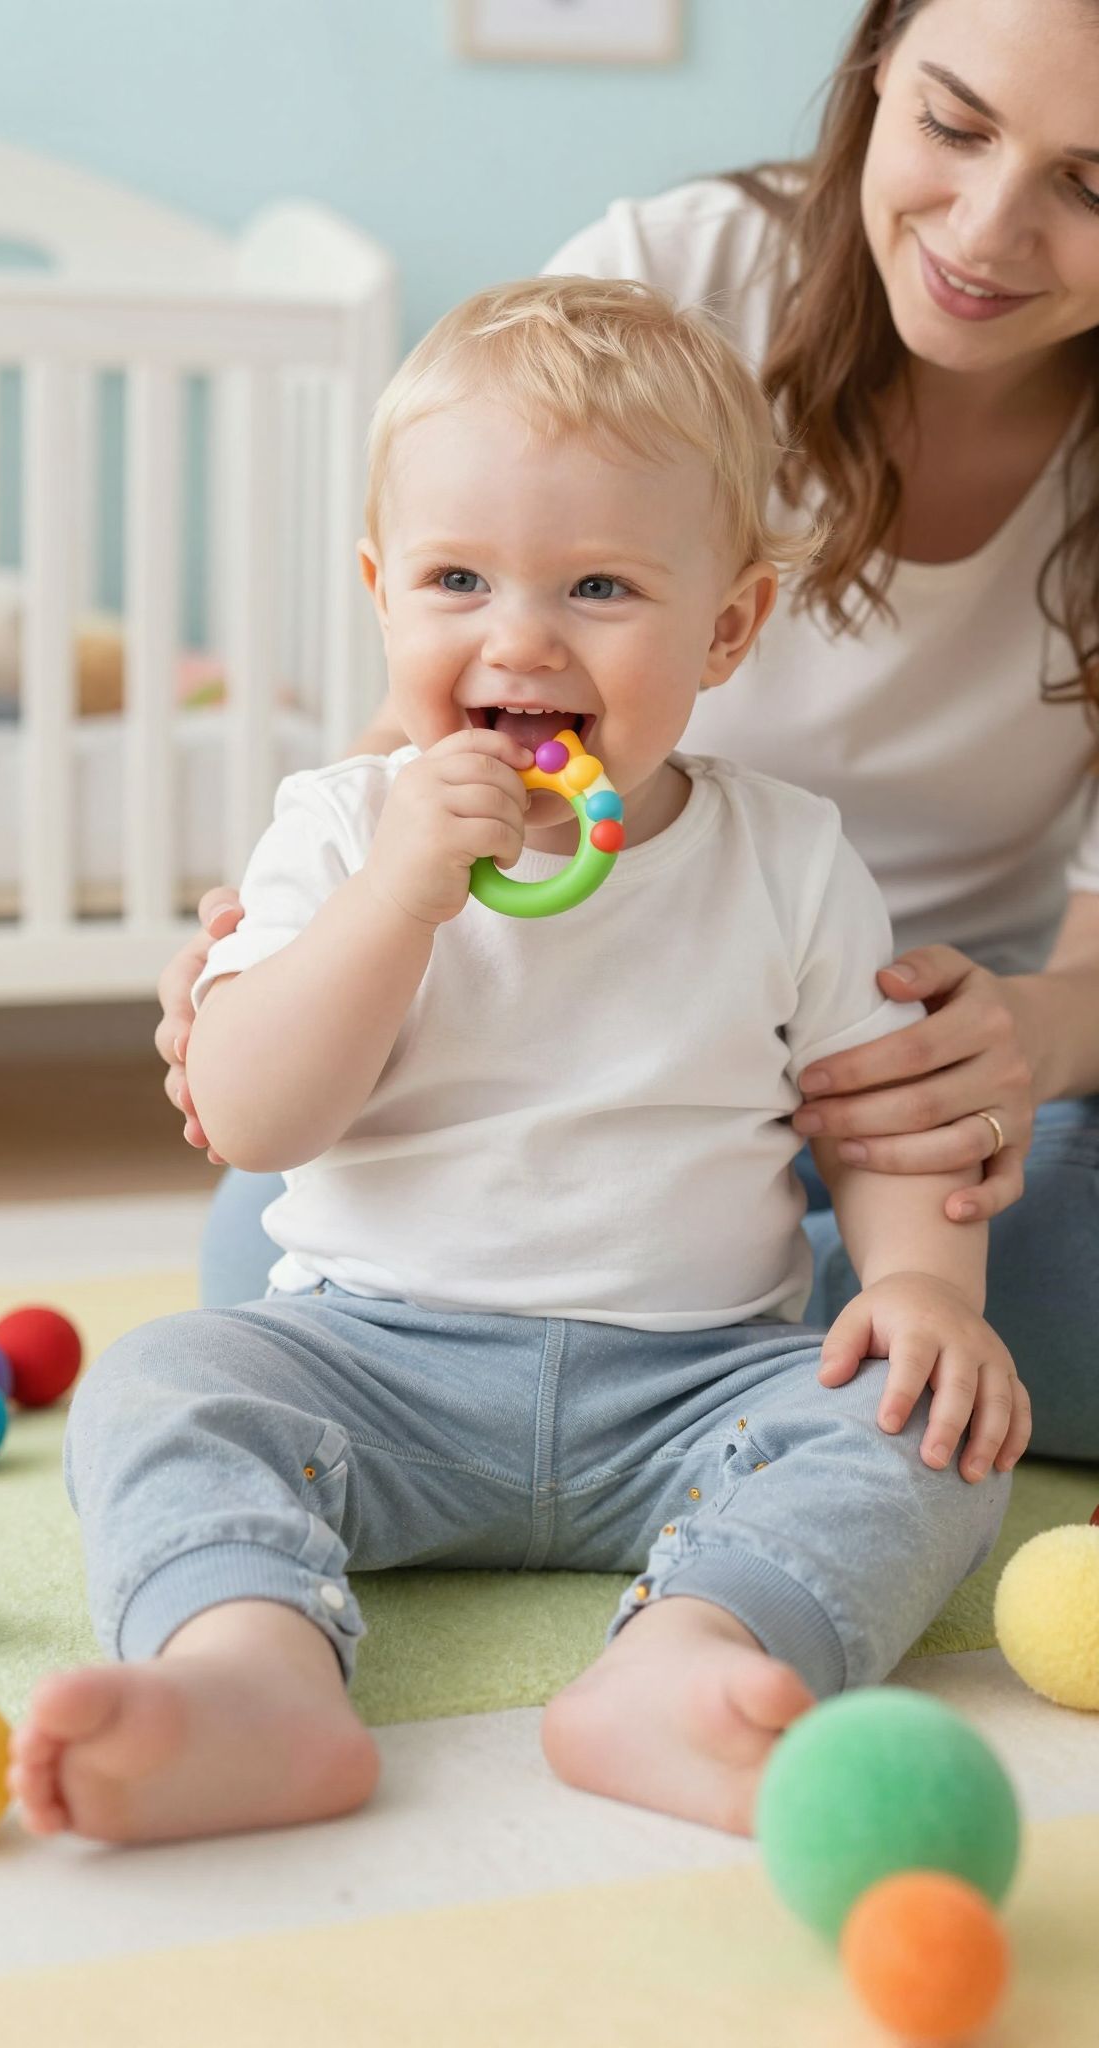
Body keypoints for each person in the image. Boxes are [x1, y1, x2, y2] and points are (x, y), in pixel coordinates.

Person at [9, 277, 1026, 1847]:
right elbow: (255, 1117)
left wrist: (919, 1293)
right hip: (370, 1364)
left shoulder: (789, 856)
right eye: (458, 579)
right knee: (163, 1382)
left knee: (931, 1427)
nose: (521, 636)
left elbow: (878, 1120)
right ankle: (251, 1675)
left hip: (692, 1379)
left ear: (729, 626)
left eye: (601, 585)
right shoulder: (336, 829)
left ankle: (694, 1655)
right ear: (382, 595)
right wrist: (396, 895)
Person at [158, 0, 1099, 1459]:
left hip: (928, 1076)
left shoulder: (794, 857)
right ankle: (720, 1347)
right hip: (547, 1039)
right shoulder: (671, 284)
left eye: (1091, 185)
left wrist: (1027, 1042)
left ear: (734, 623)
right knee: (256, 1256)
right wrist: (296, 943)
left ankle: (752, 1330)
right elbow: (433, 689)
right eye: (952, 124)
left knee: (1027, 1314)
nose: (985, 231)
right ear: (876, 70)